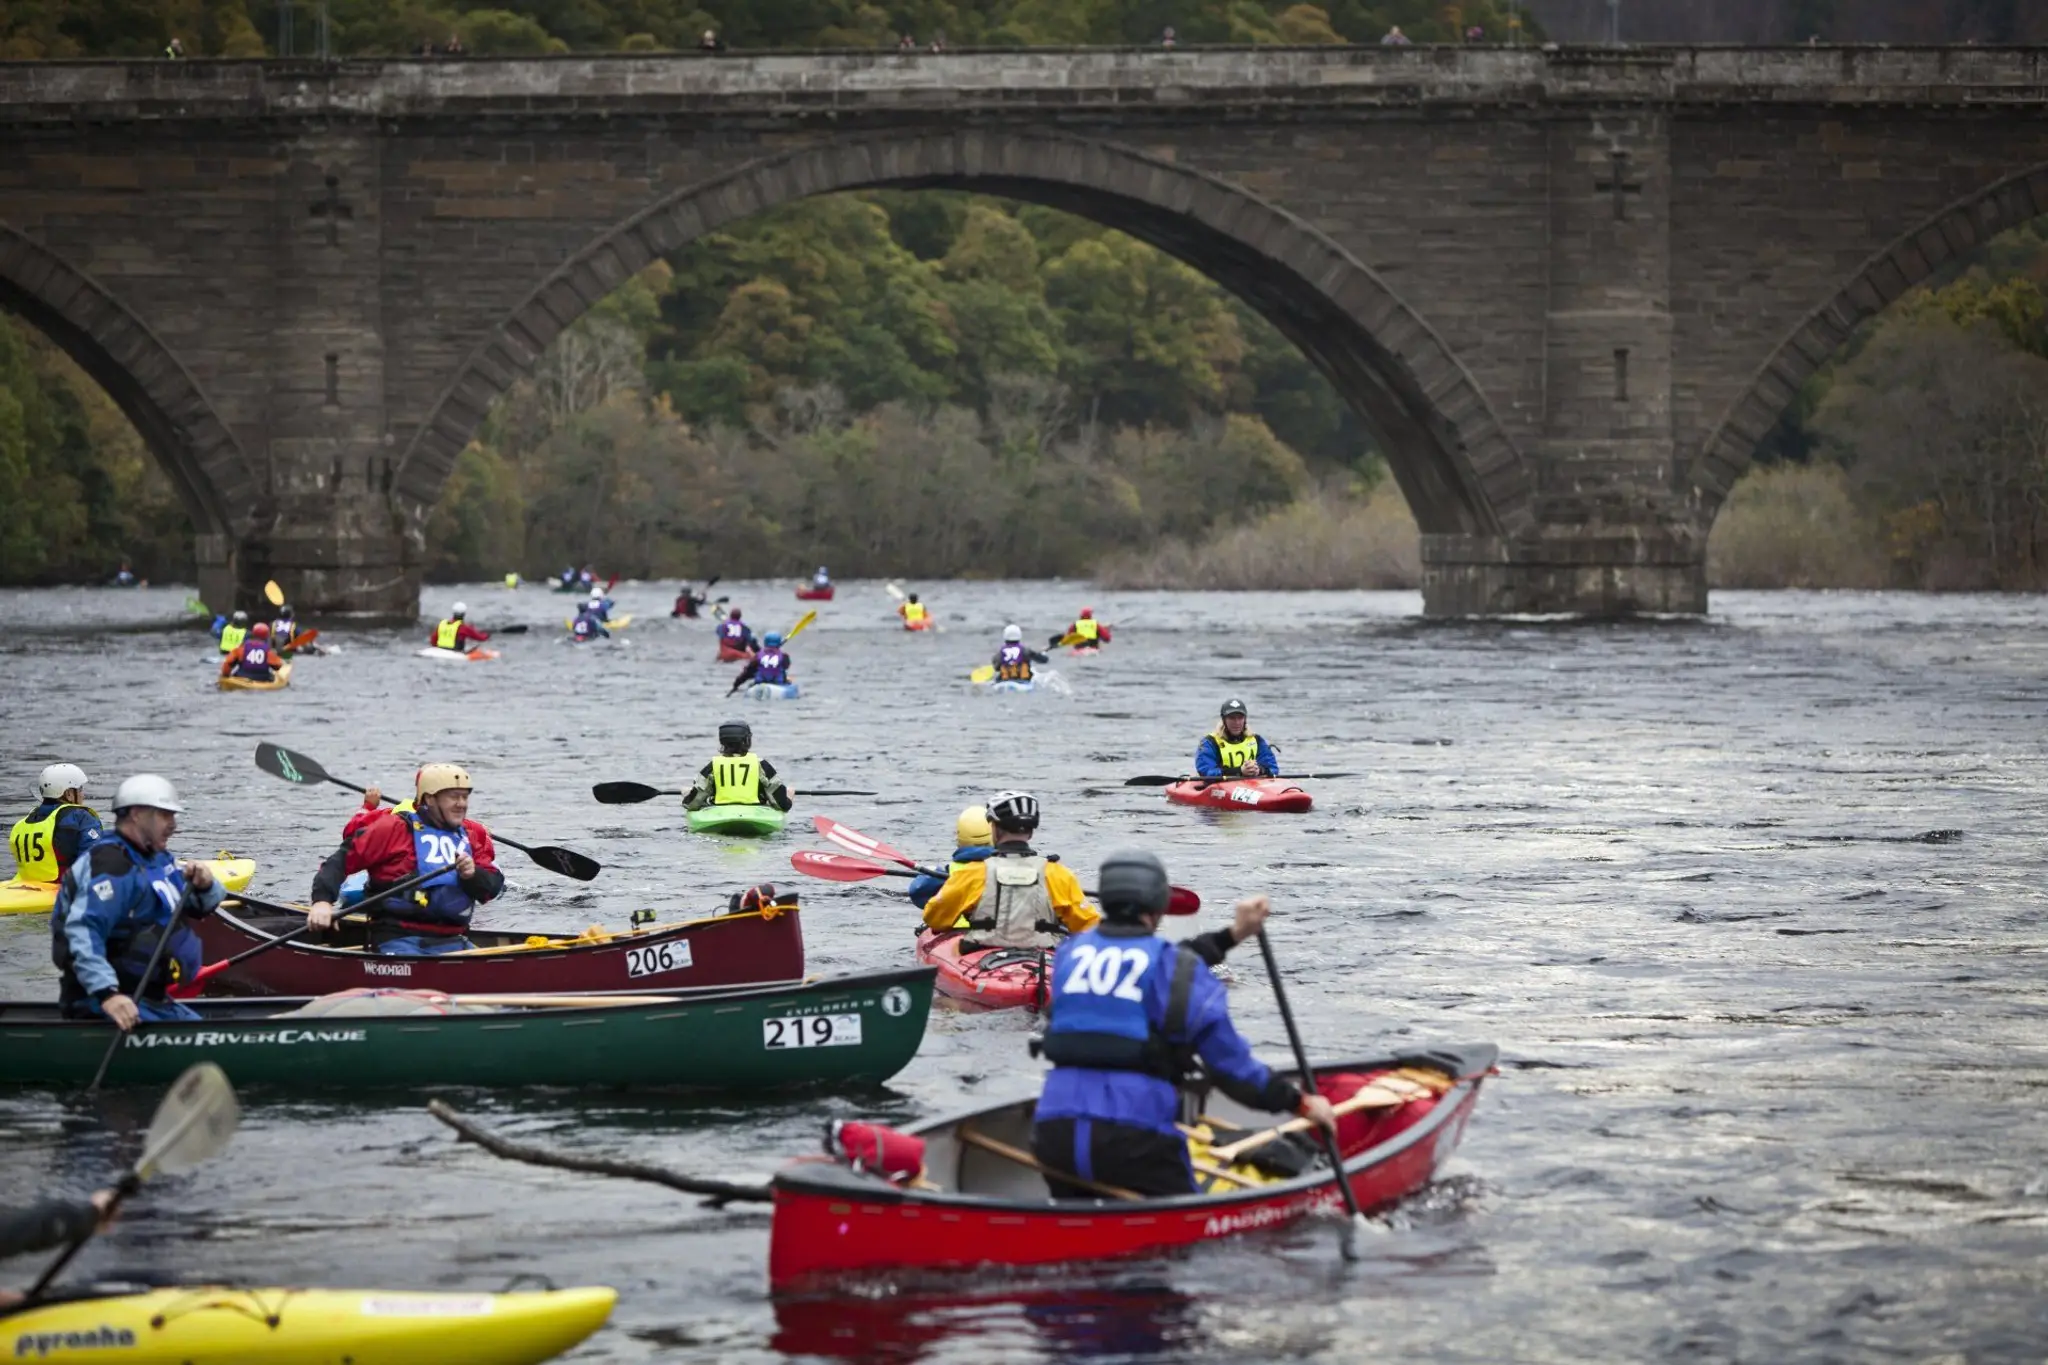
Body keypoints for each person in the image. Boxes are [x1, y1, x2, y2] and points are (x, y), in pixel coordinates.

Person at [1030, 851, 1336, 1199]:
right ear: (1159, 906)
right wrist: (1300, 1103)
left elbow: (1164, 961)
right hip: (1134, 1141)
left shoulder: (1071, 953)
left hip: (1053, 1135)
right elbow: (1234, 1072)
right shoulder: (1178, 969)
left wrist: (1234, 935)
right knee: (1194, 1229)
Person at [53, 775, 222, 1025]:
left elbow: (200, 908)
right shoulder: (111, 865)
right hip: (105, 1004)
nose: (173, 824)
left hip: (149, 999)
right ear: (136, 814)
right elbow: (83, 932)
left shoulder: (158, 859)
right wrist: (108, 995)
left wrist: (207, 885)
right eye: (165, 815)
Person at [305, 764, 503, 954]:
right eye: (453, 797)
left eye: (464, 797)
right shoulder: (392, 829)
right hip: (398, 940)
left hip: (454, 940)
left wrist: (472, 874)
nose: (461, 804)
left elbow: (492, 886)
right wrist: (322, 902)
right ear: (430, 799)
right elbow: (339, 862)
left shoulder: (470, 835)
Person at [919, 791, 1098, 945]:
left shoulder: (973, 873)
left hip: (982, 957)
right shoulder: (1058, 874)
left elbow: (934, 919)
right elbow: (1089, 927)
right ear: (1031, 831)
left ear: (994, 828)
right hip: (1043, 959)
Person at [10, 763, 102, 886]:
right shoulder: (80, 817)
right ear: (69, 794)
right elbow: (95, 859)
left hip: (23, 888)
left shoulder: (23, 823)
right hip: (61, 889)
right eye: (80, 789)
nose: (82, 795)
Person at [683, 721, 793, 813]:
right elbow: (781, 804)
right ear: (747, 741)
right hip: (754, 812)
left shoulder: (712, 766)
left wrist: (687, 797)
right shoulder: (761, 764)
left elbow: (692, 804)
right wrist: (789, 797)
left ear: (722, 742)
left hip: (721, 812)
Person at [907, 805, 994, 910]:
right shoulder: (1007, 867)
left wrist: (930, 875)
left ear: (959, 839)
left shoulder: (943, 876)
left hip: (955, 925)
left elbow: (918, 894)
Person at [1195, 698, 1280, 778]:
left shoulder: (1257, 740)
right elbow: (1206, 772)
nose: (1237, 722)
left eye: (1240, 718)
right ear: (1224, 720)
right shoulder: (1210, 743)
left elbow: (1273, 768)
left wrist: (1259, 770)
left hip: (1253, 786)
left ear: (1245, 719)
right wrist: (1239, 771)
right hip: (1221, 788)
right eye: (1232, 718)